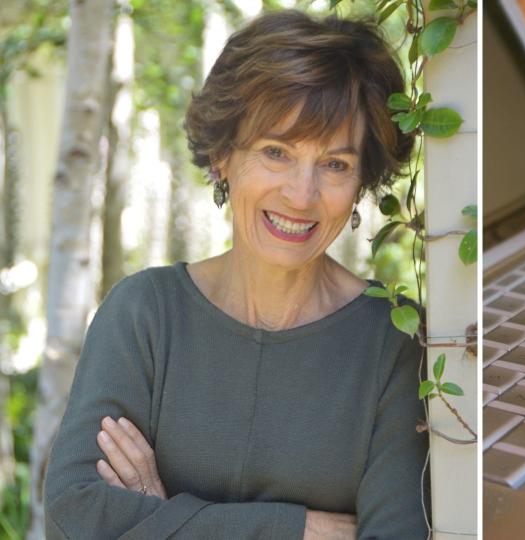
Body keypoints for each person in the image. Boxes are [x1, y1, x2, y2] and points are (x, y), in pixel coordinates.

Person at [42, 9, 427, 539]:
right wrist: (298, 530)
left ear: (362, 179)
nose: (301, 194)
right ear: (224, 155)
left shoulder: (396, 340)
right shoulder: (143, 315)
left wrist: (163, 521)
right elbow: (75, 516)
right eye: (276, 153)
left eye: (335, 164)